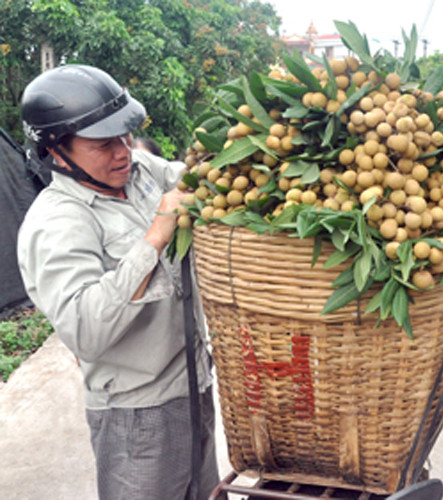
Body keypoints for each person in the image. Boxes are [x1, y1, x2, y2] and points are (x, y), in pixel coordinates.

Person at [17, 64, 220, 499]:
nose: (123, 151)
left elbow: (189, 177)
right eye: (104, 144)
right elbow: (85, 330)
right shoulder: (56, 222)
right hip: (138, 418)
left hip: (195, 389)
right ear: (56, 152)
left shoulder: (137, 171)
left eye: (126, 136)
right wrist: (155, 238)